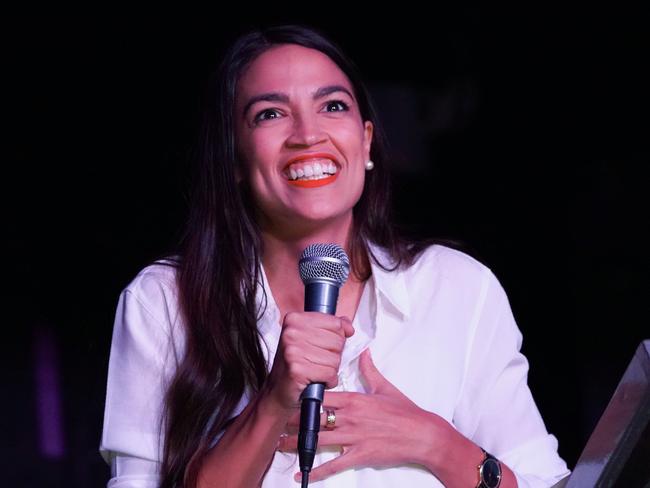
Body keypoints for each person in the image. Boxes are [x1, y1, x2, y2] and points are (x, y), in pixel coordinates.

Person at [99, 24, 571, 487]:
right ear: (236, 160)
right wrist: (273, 401)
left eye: (333, 106)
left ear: (365, 140)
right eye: (270, 114)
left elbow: (544, 482)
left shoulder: (458, 288)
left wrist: (435, 443)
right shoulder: (164, 300)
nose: (308, 134)